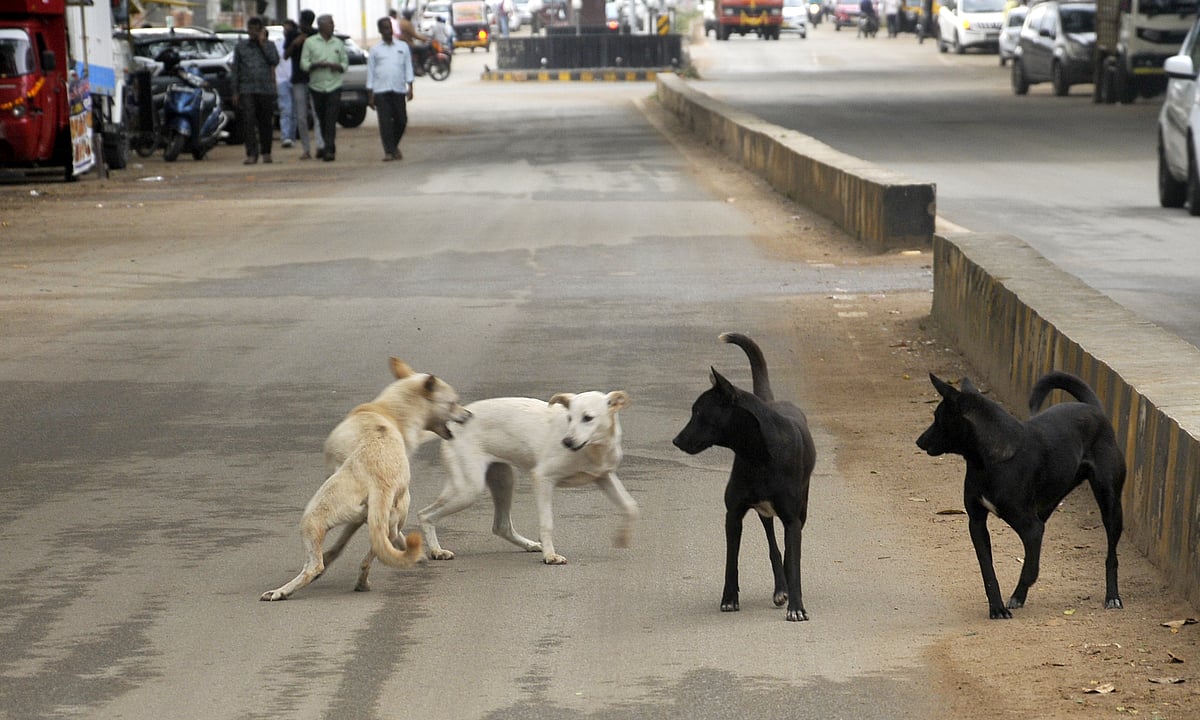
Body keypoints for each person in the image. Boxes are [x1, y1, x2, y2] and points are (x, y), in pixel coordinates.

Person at [231, 16, 280, 165]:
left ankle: (266, 152)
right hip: (247, 89)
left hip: (265, 89)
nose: (252, 32)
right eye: (250, 29)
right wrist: (235, 91)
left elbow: (274, 61)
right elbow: (235, 70)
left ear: (261, 30)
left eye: (255, 29)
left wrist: (262, 44)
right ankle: (252, 153)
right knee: (248, 121)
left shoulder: (269, 45)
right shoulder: (241, 47)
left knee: (265, 122)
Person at [367, 16, 415, 162]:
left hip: (398, 89)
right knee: (385, 122)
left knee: (401, 120)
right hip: (381, 90)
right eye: (385, 28)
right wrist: (370, 94)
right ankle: (389, 151)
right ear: (380, 30)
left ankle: (393, 146)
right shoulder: (375, 50)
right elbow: (371, 72)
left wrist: (410, 86)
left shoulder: (402, 47)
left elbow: (408, 67)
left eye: (390, 27)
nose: (388, 31)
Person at [300, 14, 347, 162]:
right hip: (317, 87)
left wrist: (337, 66)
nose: (332, 26)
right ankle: (328, 145)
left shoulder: (338, 43)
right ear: (321, 26)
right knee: (322, 118)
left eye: (332, 23)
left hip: (334, 86)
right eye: (330, 24)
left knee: (331, 118)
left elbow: (345, 63)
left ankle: (329, 149)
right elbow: (304, 63)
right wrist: (316, 65)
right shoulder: (310, 42)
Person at [285, 10, 319, 159]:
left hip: (315, 79)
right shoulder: (292, 35)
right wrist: (295, 43)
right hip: (298, 79)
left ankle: (320, 146)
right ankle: (306, 149)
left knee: (318, 115)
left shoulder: (316, 35)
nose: (304, 25)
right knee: (301, 116)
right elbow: (285, 55)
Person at [274, 20, 296, 149]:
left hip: (296, 80)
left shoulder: (298, 44)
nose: (286, 32)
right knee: (285, 109)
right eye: (285, 29)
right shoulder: (278, 44)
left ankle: (292, 136)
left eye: (289, 30)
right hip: (282, 80)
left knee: (294, 111)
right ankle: (286, 136)